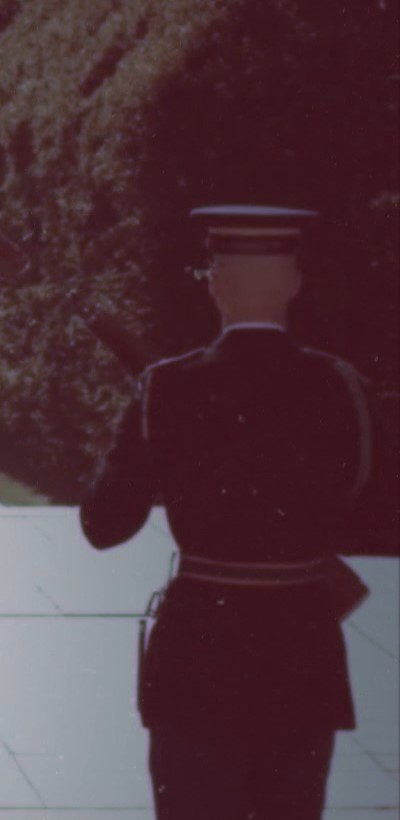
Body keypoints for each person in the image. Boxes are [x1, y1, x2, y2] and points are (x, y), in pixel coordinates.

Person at [80, 205, 396, 819]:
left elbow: (103, 526)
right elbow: (383, 518)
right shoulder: (343, 387)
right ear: (294, 283)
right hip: (302, 654)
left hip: (198, 657)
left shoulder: (166, 388)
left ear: (215, 284)